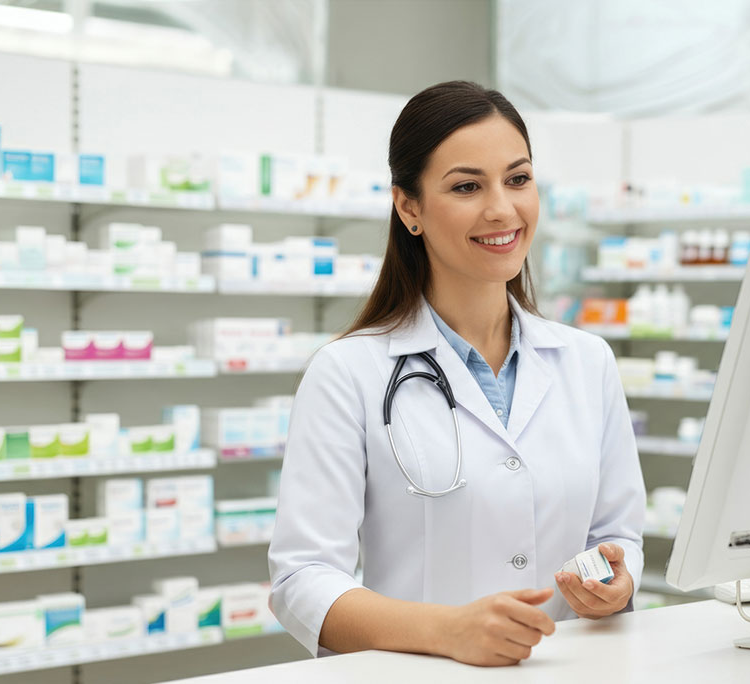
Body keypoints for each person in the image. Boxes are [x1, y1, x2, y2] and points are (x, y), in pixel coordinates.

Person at [267, 81, 645, 667]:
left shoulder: (586, 361)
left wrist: (613, 586)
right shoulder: (347, 372)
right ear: (408, 207)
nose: (502, 208)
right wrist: (448, 630)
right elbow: (302, 582)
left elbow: (617, 536)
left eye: (517, 179)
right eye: (467, 186)